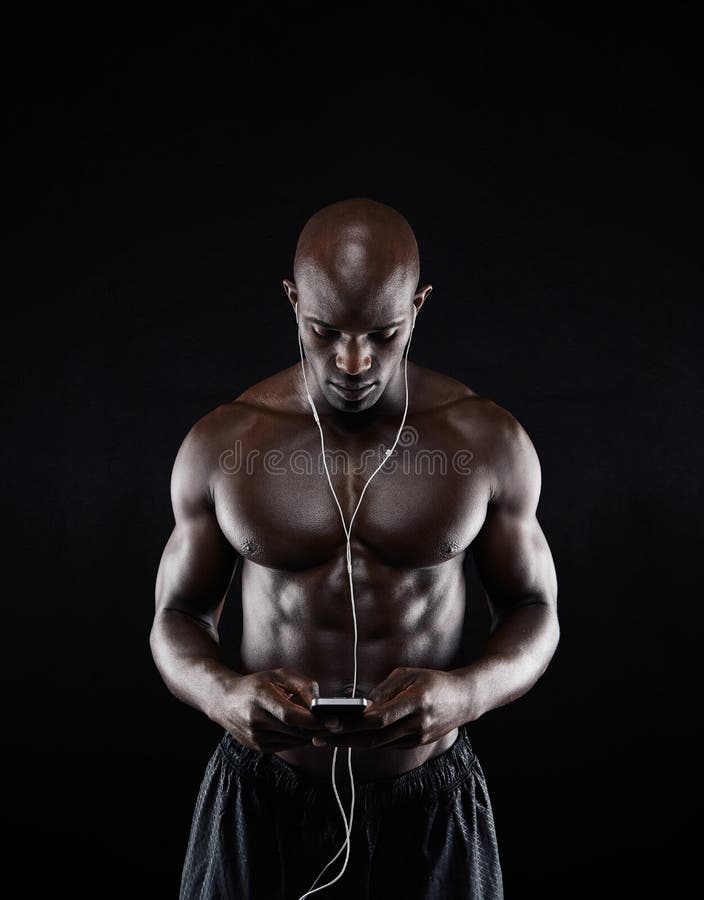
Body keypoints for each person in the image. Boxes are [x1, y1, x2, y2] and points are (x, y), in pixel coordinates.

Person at [150, 197, 559, 899]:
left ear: (420, 306)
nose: (352, 360)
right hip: (261, 798)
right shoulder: (225, 443)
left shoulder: (485, 440)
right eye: (324, 330)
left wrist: (467, 693)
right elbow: (176, 617)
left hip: (428, 802)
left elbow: (534, 607)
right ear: (292, 301)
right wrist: (222, 694)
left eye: (384, 333)